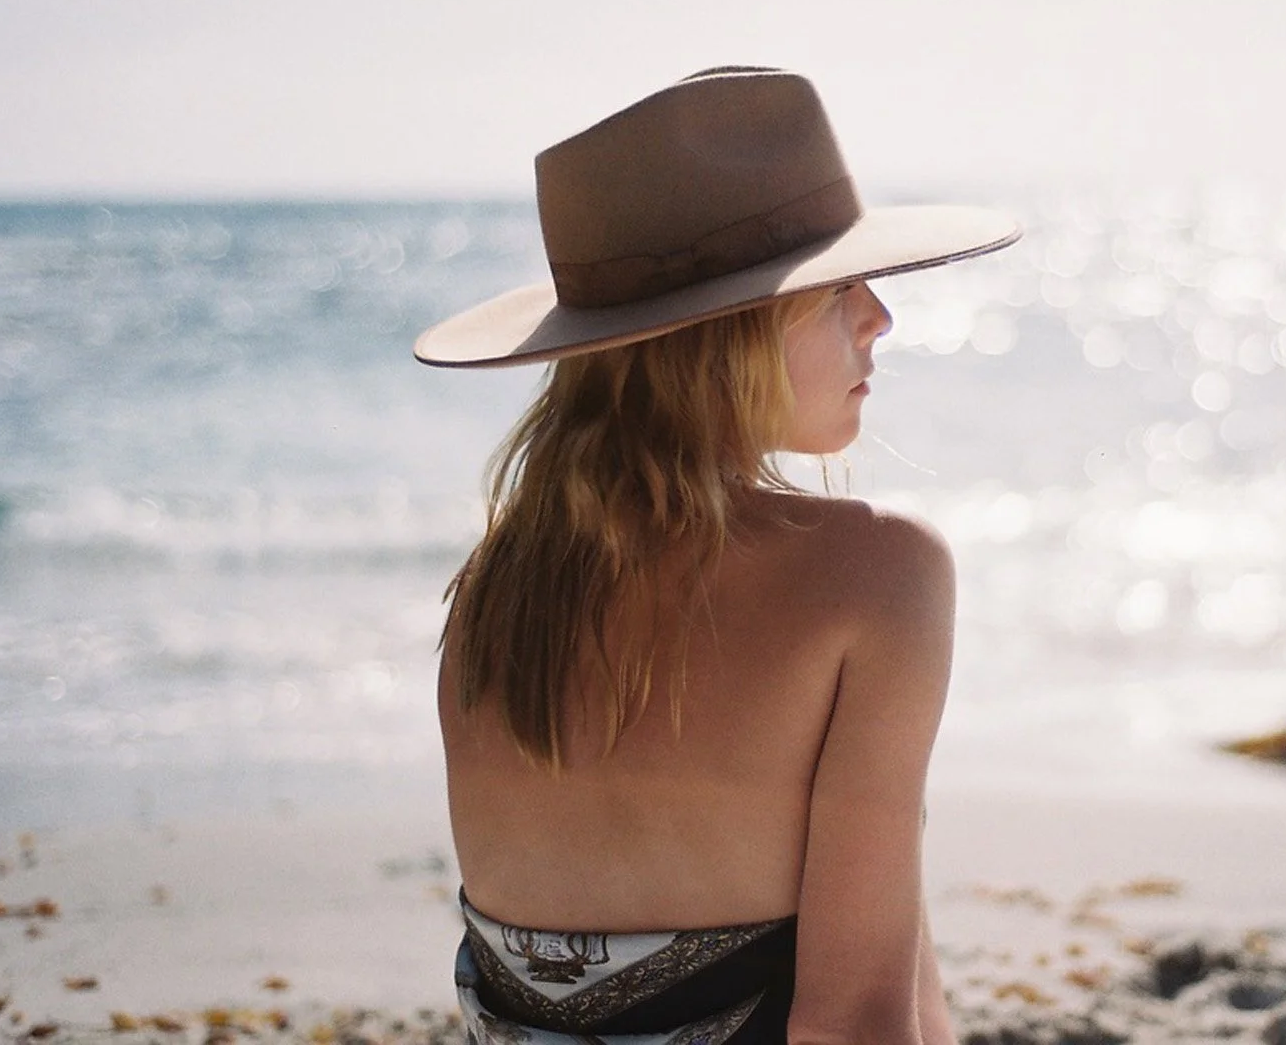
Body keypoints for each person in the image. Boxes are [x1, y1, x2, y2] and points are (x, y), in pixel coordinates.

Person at [414, 66, 1020, 1045]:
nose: (879, 317)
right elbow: (857, 1023)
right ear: (731, 335)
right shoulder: (875, 575)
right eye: (838, 288)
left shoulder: (496, 588)